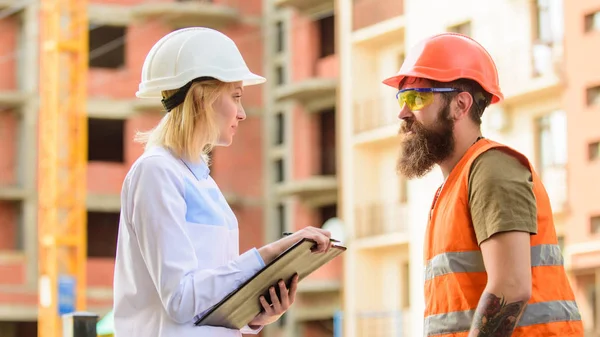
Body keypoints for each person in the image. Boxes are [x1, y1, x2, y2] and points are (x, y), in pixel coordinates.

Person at [112, 27, 333, 337]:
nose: (242, 113)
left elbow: (207, 301)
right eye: (236, 97)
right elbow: (181, 300)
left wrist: (255, 315)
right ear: (203, 97)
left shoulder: (201, 180)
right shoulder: (156, 172)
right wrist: (268, 256)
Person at [382, 32, 584, 336]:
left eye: (417, 97)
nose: (403, 112)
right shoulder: (453, 186)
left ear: (460, 105)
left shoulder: (492, 168)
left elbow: (511, 287)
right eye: (402, 97)